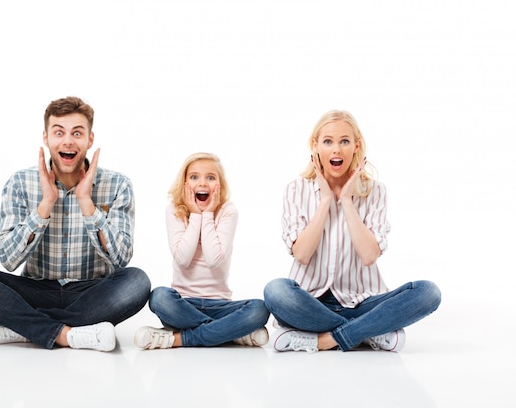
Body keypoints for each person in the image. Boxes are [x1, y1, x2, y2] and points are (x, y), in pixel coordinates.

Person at [0, 96, 151, 351]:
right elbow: (8, 260)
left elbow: (121, 259)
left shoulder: (118, 185)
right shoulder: (20, 182)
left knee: (138, 282)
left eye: (77, 133)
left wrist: (87, 202)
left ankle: (21, 328)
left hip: (90, 292)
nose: (68, 141)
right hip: (35, 288)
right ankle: (67, 334)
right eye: (59, 132)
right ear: (46, 137)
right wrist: (45, 205)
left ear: (90, 139)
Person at [264, 110, 441, 353]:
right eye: (328, 141)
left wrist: (347, 200)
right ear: (315, 146)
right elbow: (302, 254)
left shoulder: (375, 191)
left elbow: (369, 256)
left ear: (356, 146)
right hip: (311, 302)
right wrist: (326, 199)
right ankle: (368, 332)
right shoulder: (296, 190)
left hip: (363, 302)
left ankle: (326, 339)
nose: (336, 149)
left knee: (428, 292)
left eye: (344, 141)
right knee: (275, 291)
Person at [134, 152, 270, 350]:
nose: (203, 183)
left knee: (260, 309)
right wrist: (196, 215)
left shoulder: (227, 210)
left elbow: (214, 259)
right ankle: (230, 333)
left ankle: (179, 339)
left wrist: (207, 214)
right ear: (184, 182)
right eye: (194, 177)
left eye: (211, 177)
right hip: (183, 306)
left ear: (220, 184)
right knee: (159, 297)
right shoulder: (174, 209)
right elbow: (182, 259)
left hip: (221, 306)